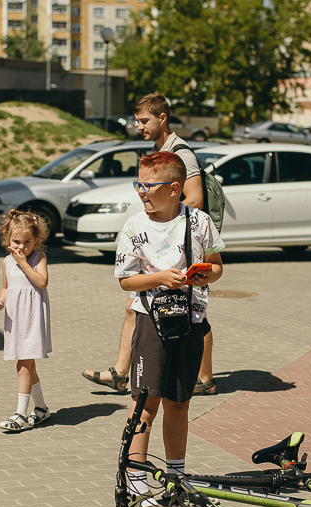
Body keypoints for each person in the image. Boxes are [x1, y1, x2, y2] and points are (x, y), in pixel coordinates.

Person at [83, 92, 219, 396]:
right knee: (139, 306)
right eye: (137, 120)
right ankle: (123, 372)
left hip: (180, 246)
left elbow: (194, 199)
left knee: (195, 313)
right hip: (164, 248)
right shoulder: (160, 149)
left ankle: (203, 377)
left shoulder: (180, 153)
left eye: (144, 120)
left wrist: (159, 226)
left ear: (162, 118)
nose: (138, 125)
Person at [115, 151, 224, 507]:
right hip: (151, 322)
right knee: (145, 404)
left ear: (175, 189)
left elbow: (218, 266)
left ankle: (176, 479)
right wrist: (161, 278)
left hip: (190, 321)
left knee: (179, 403)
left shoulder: (200, 222)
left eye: (149, 185)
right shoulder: (135, 226)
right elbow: (126, 281)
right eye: (139, 184)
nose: (142, 192)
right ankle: (136, 482)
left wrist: (205, 273)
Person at [0, 210, 52, 432]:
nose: (21, 247)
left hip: (32, 318)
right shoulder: (7, 262)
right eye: (16, 242)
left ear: (36, 240)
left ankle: (20, 413)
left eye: (27, 242)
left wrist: (24, 263)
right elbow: (6, 287)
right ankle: (42, 409)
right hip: (15, 319)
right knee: (29, 364)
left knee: (23, 364)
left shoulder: (39, 259)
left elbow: (42, 282)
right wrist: (1, 300)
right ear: (8, 240)